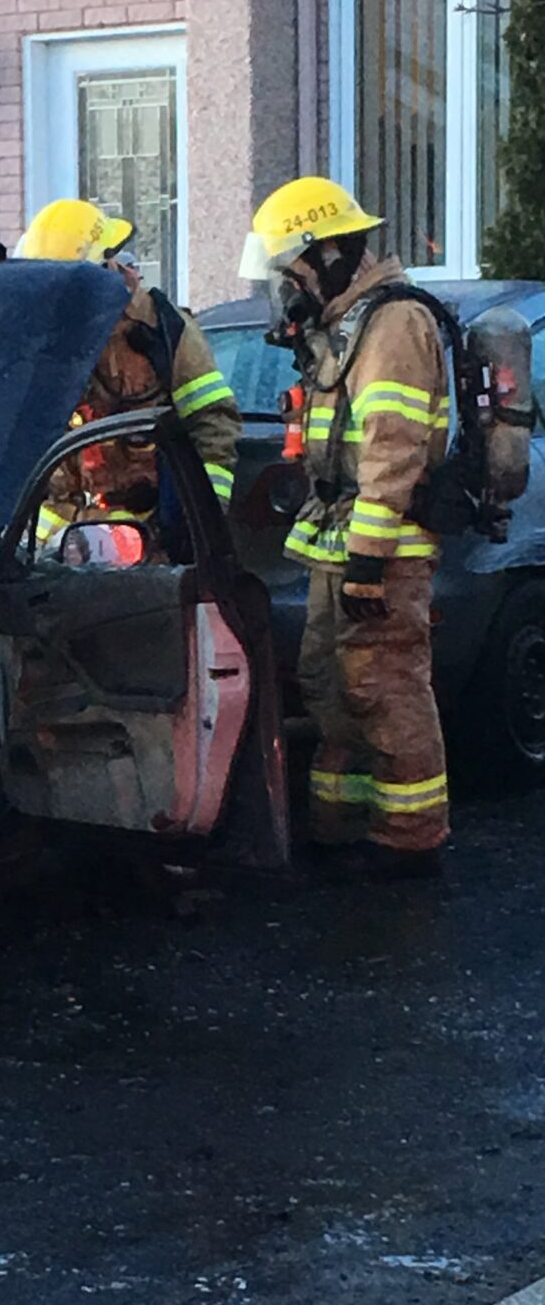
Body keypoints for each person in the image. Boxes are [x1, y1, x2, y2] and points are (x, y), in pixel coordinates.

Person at [240, 177, 451, 875]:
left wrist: (368, 561)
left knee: (384, 686)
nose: (286, 288)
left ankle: (408, 839)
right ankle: (340, 827)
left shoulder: (394, 326)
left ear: (330, 254)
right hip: (344, 539)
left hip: (384, 549)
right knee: (329, 681)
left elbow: (393, 452)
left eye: (291, 271)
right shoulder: (346, 327)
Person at [14, 198, 241, 562]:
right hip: (66, 546)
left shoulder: (162, 329)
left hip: (152, 543)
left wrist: (200, 521)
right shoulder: (40, 343)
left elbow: (213, 424)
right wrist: (45, 546)